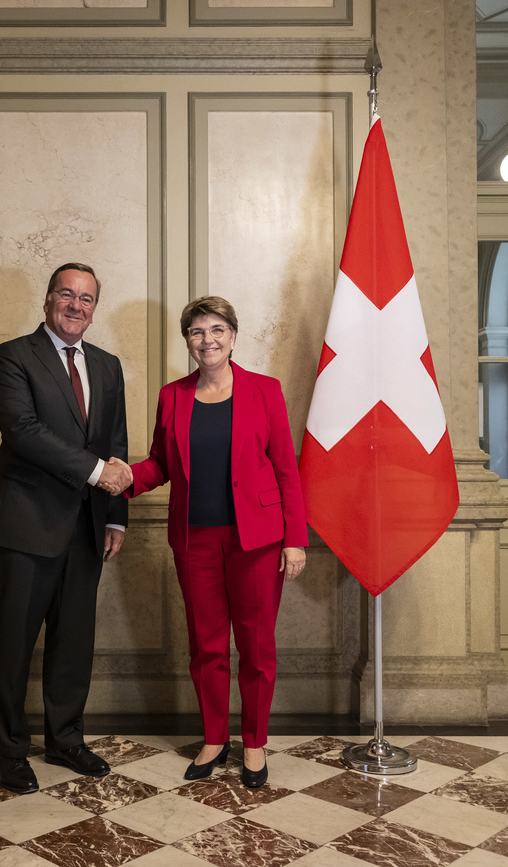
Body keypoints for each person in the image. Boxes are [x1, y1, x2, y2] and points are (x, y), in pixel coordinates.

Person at [110, 296, 307, 788]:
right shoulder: (172, 396)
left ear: (234, 337)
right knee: (207, 647)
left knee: (257, 647)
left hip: (258, 541)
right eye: (197, 332)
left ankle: (255, 744)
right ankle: (215, 738)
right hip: (194, 540)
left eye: (217, 329)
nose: (208, 340)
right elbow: (161, 462)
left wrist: (295, 540)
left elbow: (286, 469)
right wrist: (125, 476)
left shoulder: (265, 391)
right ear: (188, 341)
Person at [0, 263, 133, 794]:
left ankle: (66, 740)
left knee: (73, 643)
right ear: (48, 300)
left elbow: (114, 438)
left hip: (89, 527)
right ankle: (10, 751)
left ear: (95, 308)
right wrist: (97, 473)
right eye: (67, 295)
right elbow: (24, 432)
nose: (76, 306)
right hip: (26, 527)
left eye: (87, 299)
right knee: (14, 644)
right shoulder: (10, 356)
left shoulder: (108, 365)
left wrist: (115, 512)